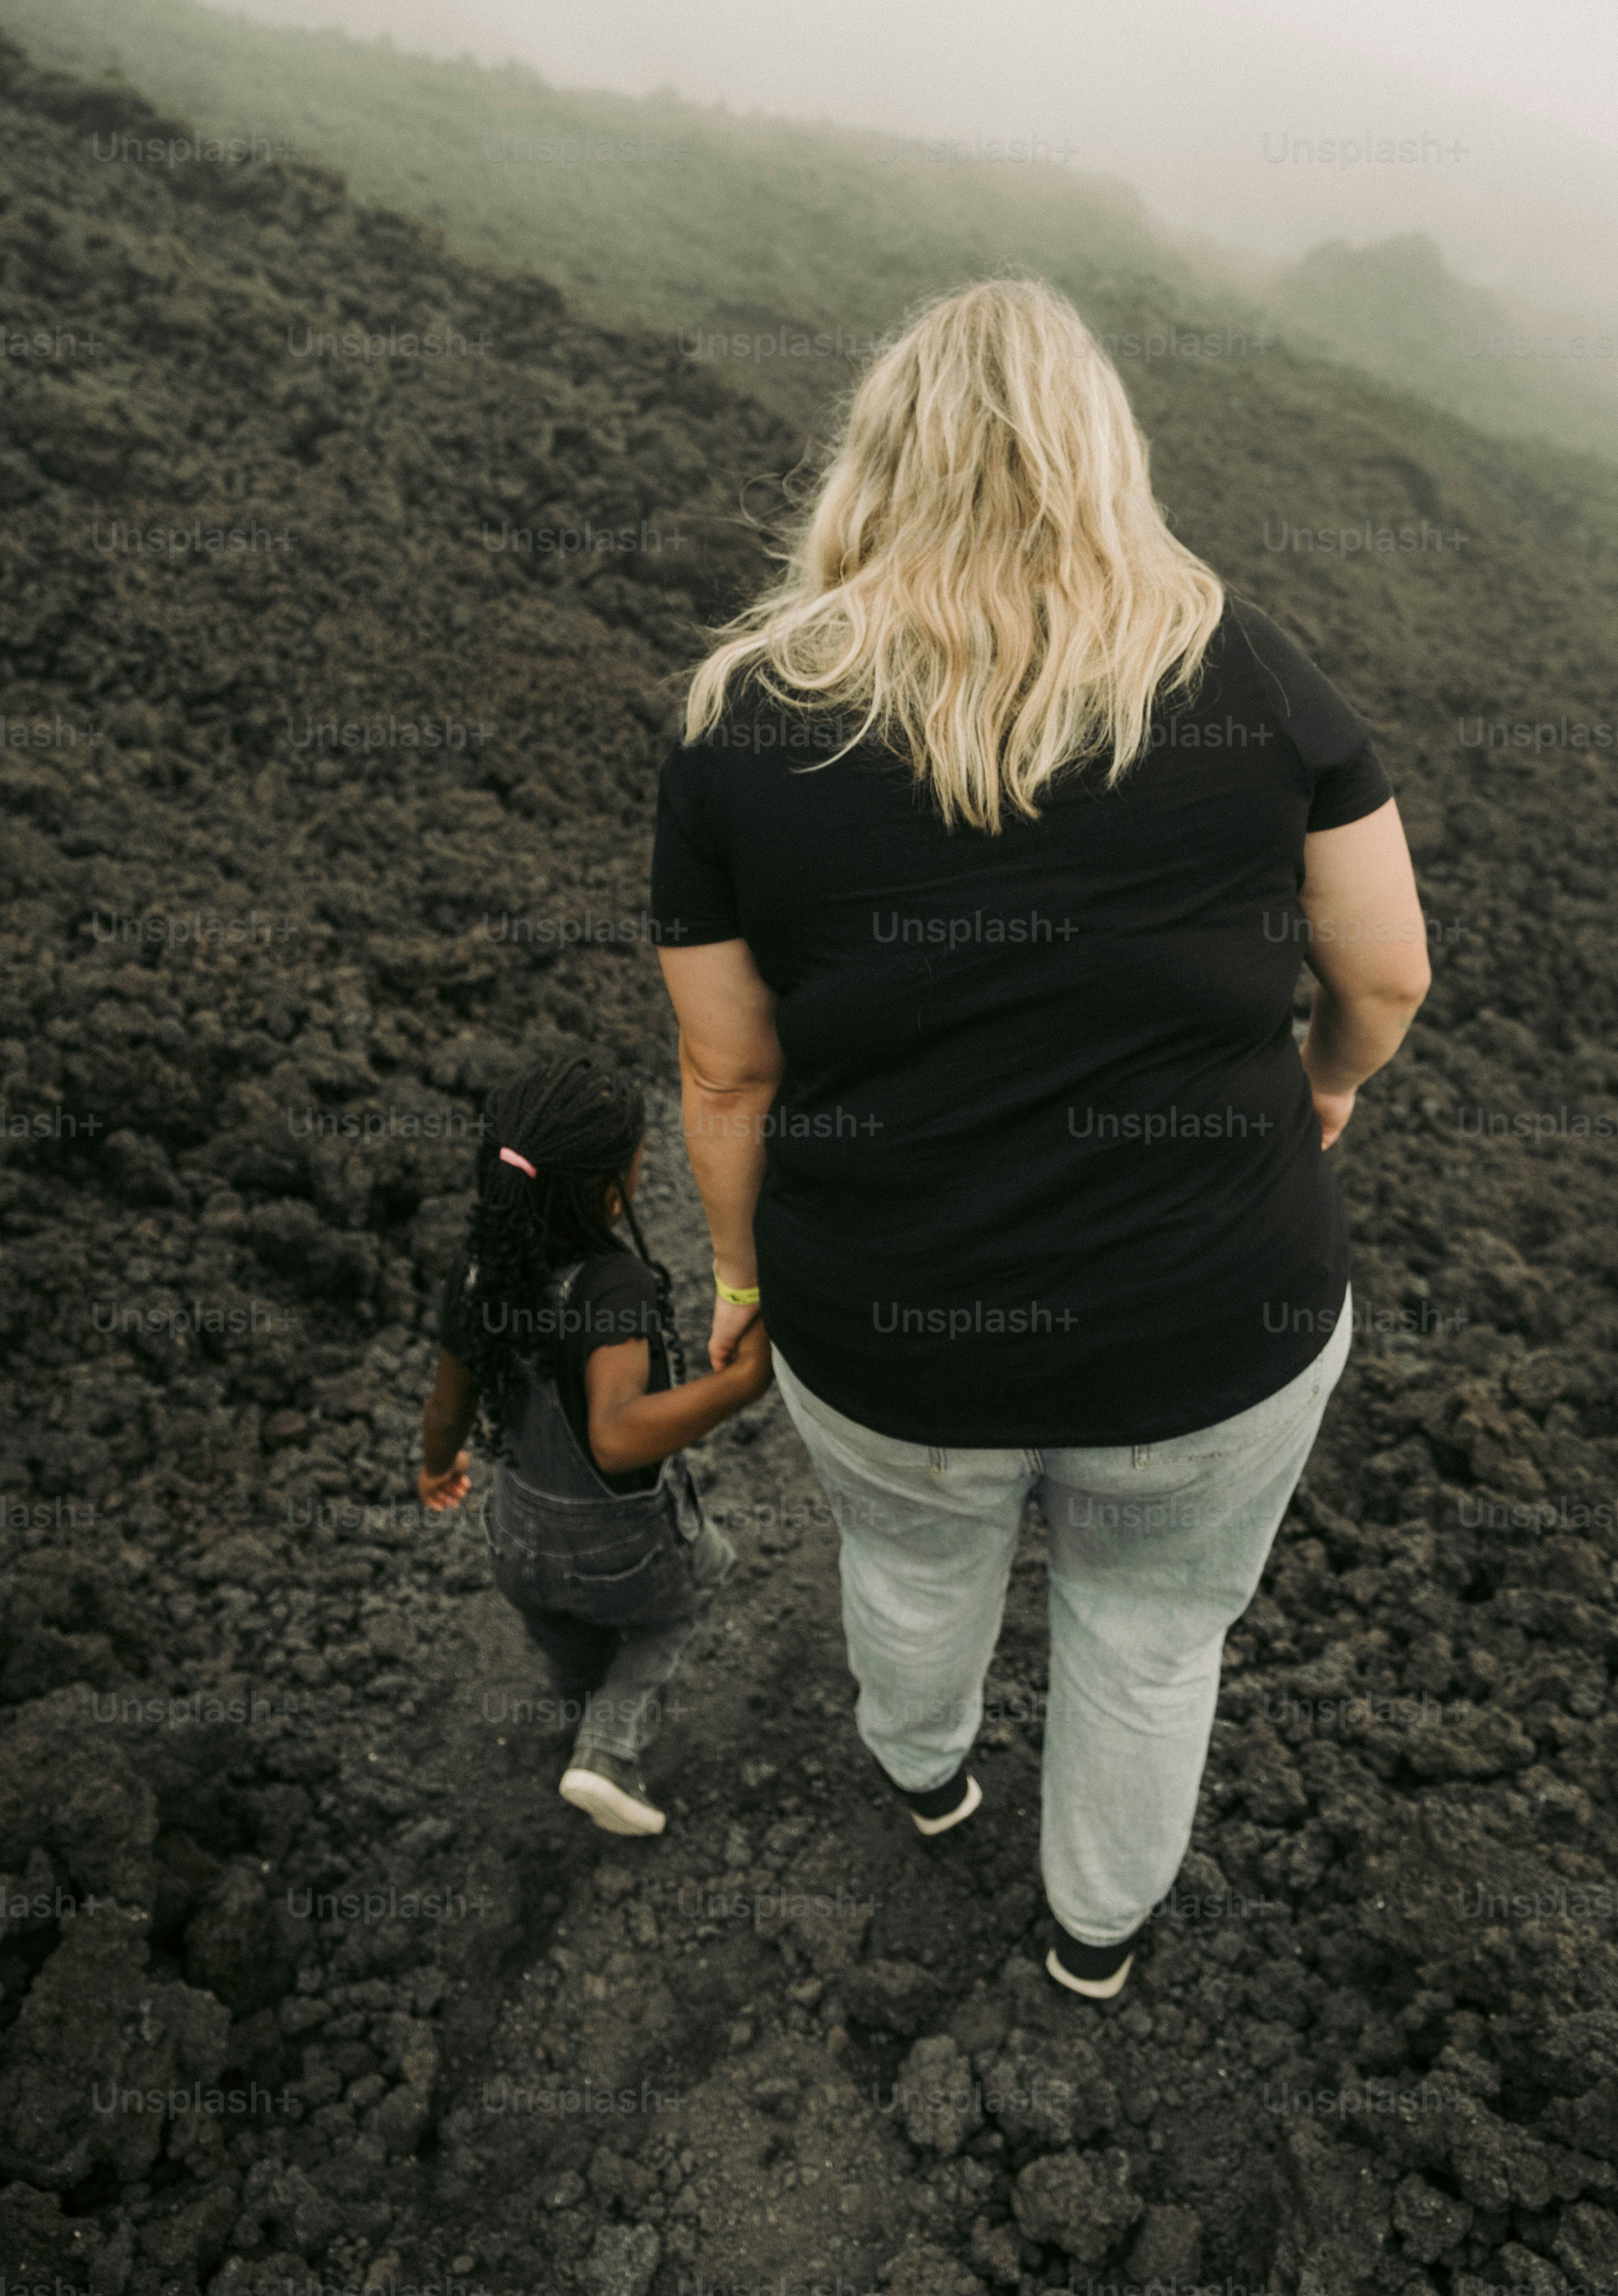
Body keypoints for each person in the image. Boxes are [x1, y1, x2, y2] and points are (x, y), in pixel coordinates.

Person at [648, 276, 1431, 1993]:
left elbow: (724, 1077)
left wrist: (730, 1267)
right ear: (1100, 456)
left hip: (887, 1314)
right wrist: (1326, 1087)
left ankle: (924, 1776)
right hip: (1215, 1322)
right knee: (1151, 1641)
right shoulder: (1250, 670)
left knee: (912, 1561)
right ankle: (1094, 1937)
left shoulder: (739, 719)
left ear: (877, 460)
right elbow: (1382, 970)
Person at [417, 1052, 769, 1834]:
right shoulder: (612, 1288)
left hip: (518, 1541)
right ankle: (607, 1750)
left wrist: (438, 1467)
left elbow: (447, 1409)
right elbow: (615, 1438)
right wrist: (738, 1388)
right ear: (613, 1191)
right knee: (698, 1586)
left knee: (571, 1643)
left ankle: (584, 1711)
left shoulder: (480, 1273)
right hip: (623, 1547)